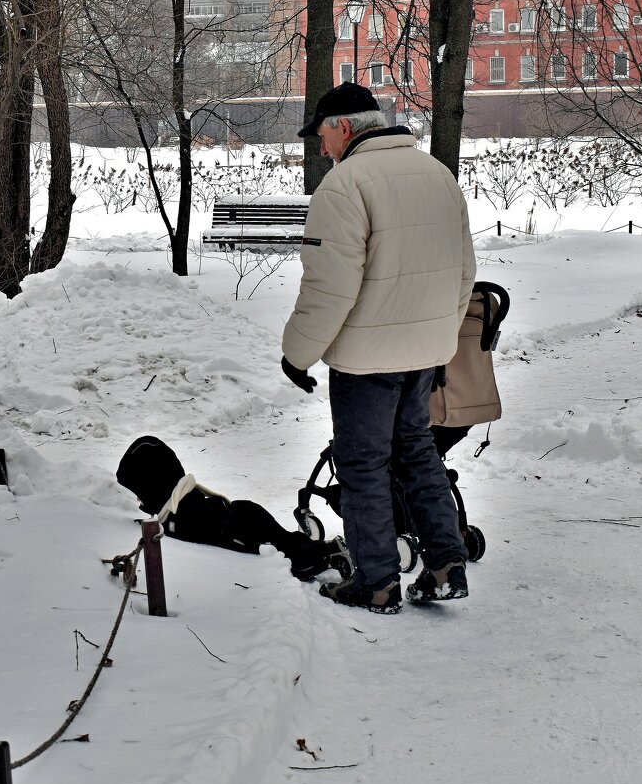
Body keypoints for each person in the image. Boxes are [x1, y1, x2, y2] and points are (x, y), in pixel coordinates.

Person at [281, 82, 477, 614]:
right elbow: (465, 271)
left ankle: (376, 582)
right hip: (425, 353)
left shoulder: (345, 185)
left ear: (344, 127)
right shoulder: (438, 175)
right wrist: (440, 337)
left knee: (362, 464)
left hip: (367, 359)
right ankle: (444, 566)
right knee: (416, 452)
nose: (321, 148)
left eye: (322, 134)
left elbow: (330, 287)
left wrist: (297, 354)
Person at [116, 435, 354, 582]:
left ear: (152, 487)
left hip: (242, 525)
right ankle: (329, 550)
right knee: (284, 539)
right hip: (242, 512)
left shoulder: (181, 516)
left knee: (290, 555)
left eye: (139, 493)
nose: (138, 500)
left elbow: (218, 537)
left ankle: (328, 554)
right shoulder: (183, 497)